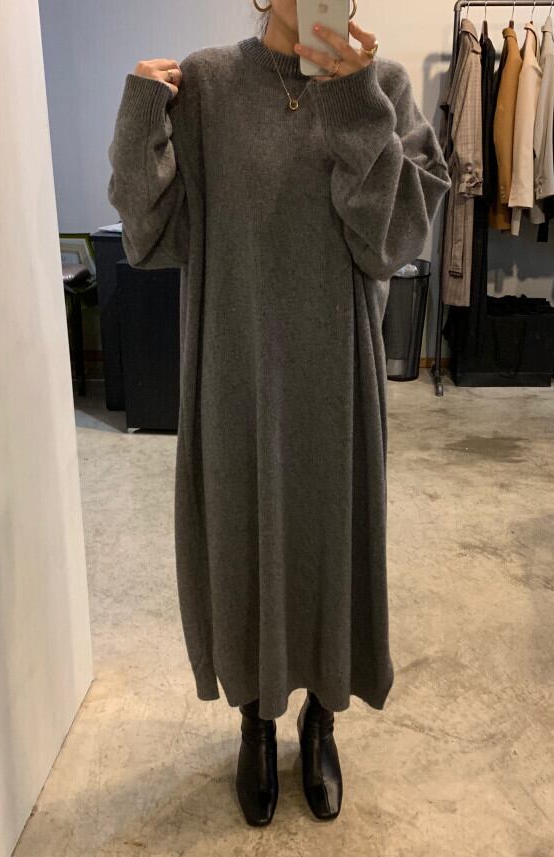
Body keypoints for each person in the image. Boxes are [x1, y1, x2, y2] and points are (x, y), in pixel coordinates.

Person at [106, 0, 451, 827]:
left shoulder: (381, 85)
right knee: (241, 544)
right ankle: (255, 722)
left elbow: (392, 243)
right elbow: (149, 235)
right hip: (235, 370)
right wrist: (139, 116)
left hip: (336, 376)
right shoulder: (213, 85)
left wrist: (352, 99)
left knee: (331, 546)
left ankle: (320, 718)